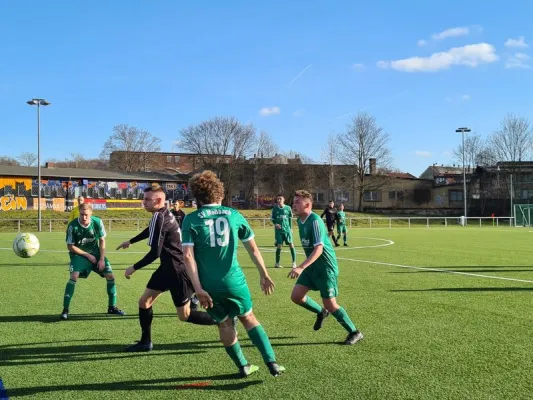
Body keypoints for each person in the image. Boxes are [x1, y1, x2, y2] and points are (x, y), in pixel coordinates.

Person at [182, 170, 285, 378]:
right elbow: (253, 249)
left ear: (198, 195)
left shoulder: (191, 220)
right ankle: (271, 362)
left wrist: (198, 289)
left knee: (224, 323)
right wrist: (264, 274)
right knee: (248, 317)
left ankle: (243, 366)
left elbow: (187, 257)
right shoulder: (234, 215)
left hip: (209, 285)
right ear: (219, 193)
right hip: (234, 281)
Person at [117, 183, 216, 352]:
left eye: (148, 199)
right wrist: (131, 241)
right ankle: (145, 342)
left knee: (184, 316)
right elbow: (150, 230)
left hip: (177, 270)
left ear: (159, 200)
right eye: (144, 199)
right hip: (167, 268)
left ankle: (223, 320)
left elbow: (155, 252)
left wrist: (134, 267)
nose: (144, 202)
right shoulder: (162, 214)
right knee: (144, 301)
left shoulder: (160, 216)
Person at [288, 190, 363, 345]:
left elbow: (319, 249)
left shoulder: (315, 220)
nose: (293, 205)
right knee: (296, 296)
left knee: (331, 303)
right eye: (294, 201)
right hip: (312, 267)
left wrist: (300, 267)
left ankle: (355, 332)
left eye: (297, 202)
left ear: (307, 205)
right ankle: (321, 312)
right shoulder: (300, 221)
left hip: (325, 268)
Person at [61, 203, 125, 320]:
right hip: (79, 255)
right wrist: (87, 255)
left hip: (96, 254)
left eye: (86, 215)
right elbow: (70, 247)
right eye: (81, 214)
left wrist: (101, 259)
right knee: (74, 276)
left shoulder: (97, 222)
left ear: (91, 213)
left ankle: (112, 307)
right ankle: (65, 310)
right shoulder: (72, 226)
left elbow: (102, 241)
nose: (84, 217)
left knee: (110, 276)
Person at [271, 194, 296, 269]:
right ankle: (277, 263)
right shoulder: (275, 209)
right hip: (279, 231)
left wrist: (291, 228)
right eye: (278, 199)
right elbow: (272, 219)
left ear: (283, 200)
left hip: (287, 230)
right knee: (279, 246)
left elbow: (289, 219)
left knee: (291, 245)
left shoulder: (288, 208)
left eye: (280, 199)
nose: (279, 200)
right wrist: (275, 224)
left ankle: (294, 262)